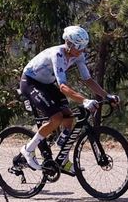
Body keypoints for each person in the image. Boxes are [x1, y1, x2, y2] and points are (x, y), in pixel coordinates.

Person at [14, 25, 118, 172]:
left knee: (68, 116)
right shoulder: (58, 54)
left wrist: (106, 95)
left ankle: (63, 158)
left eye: (84, 47)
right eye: (79, 47)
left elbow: (87, 79)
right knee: (56, 117)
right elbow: (62, 87)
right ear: (69, 44)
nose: (81, 50)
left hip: (47, 84)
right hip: (30, 82)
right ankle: (28, 149)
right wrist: (84, 100)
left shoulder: (78, 55)